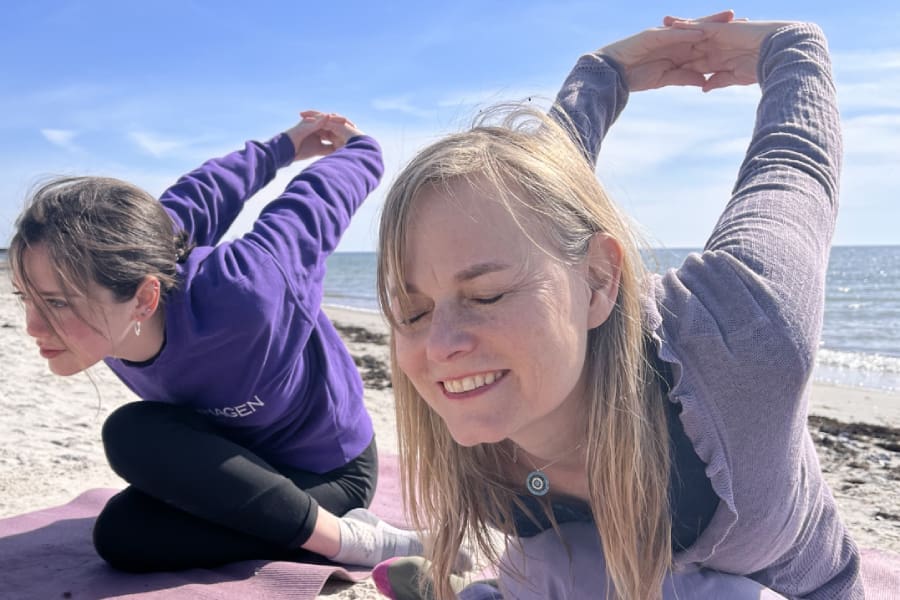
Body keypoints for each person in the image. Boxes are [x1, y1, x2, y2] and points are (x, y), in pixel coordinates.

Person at [372, 10, 862, 600]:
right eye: (414, 311)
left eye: (486, 295)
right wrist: (603, 74)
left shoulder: (740, 333)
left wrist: (791, 47)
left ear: (599, 280)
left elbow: (792, 165)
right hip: (593, 574)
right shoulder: (462, 400)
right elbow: (534, 197)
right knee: (543, 563)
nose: (442, 345)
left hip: (777, 590)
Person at [9, 111, 430, 571]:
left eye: (57, 303)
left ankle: (355, 540)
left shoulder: (250, 290)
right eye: (25, 299)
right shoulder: (132, 252)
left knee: (128, 430)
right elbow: (207, 191)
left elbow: (318, 202)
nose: (33, 326)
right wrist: (284, 145)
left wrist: (361, 148)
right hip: (235, 461)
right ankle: (318, 533)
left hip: (328, 469)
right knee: (121, 534)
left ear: (144, 298)